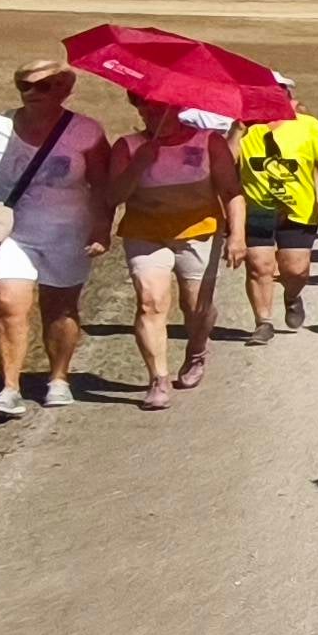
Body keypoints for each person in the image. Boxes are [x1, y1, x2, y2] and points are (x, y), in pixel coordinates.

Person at [0, 61, 110, 420]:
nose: (33, 94)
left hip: (67, 233)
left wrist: (102, 227)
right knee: (7, 303)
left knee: (61, 308)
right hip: (9, 231)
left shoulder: (86, 132)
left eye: (44, 86)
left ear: (64, 89)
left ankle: (58, 378)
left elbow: (102, 186)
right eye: (25, 86)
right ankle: (8, 388)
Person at [106, 97, 242, 411]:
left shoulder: (209, 143)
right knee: (150, 302)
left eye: (159, 107)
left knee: (196, 307)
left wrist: (237, 236)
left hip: (199, 233)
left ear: (179, 108)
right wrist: (139, 164)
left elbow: (231, 191)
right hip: (145, 233)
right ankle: (158, 379)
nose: (152, 113)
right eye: (144, 107)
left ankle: (197, 350)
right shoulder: (127, 146)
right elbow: (112, 196)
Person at [233, 81, 318, 343]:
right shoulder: (245, 126)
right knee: (259, 266)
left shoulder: (307, 124)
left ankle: (292, 296)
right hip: (256, 207)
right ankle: (263, 322)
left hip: (297, 208)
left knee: (296, 270)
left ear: (288, 97)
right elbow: (226, 160)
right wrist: (236, 131)